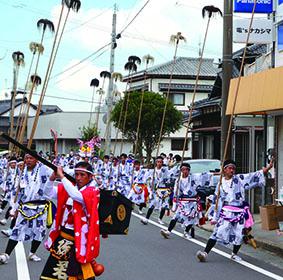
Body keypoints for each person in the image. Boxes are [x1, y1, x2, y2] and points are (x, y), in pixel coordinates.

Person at [196, 159, 273, 263]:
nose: (232, 170)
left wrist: (267, 169)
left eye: (233, 168)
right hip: (226, 212)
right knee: (217, 232)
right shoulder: (220, 184)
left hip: (239, 212)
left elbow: (253, 175)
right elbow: (216, 200)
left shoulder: (239, 179)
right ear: (224, 170)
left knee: (239, 234)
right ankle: (205, 253)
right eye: (230, 168)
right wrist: (213, 215)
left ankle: (234, 254)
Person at [40, 161, 100, 280]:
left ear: (90, 177)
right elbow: (47, 194)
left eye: (82, 175)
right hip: (63, 238)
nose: (78, 178)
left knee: (78, 274)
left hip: (79, 240)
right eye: (76, 174)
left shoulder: (93, 191)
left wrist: (62, 176)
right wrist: (52, 177)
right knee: (53, 273)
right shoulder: (68, 187)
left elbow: (76, 196)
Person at [0, 154, 52, 264]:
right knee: (16, 229)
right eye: (27, 158)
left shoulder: (44, 169)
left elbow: (56, 172)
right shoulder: (22, 172)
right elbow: (17, 193)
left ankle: (32, 253)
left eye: (31, 158)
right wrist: (14, 209)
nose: (28, 160)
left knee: (39, 231)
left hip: (40, 207)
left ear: (36, 160)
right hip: (25, 207)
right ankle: (6, 255)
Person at [160, 163, 212, 239]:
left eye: (187, 169)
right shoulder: (178, 180)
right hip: (183, 202)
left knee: (192, 219)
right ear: (181, 170)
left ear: (189, 170)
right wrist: (175, 204)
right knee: (176, 217)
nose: (185, 171)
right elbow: (176, 193)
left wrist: (215, 173)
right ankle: (168, 231)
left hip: (193, 201)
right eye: (183, 169)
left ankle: (186, 232)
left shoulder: (194, 177)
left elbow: (204, 175)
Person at [141, 156, 171, 225]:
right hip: (156, 190)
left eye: (161, 162)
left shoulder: (165, 170)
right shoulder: (152, 171)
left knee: (164, 205)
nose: (159, 163)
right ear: (156, 163)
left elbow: (168, 178)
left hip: (164, 189)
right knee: (152, 204)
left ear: (162, 163)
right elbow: (147, 180)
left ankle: (160, 218)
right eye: (158, 162)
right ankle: (146, 218)